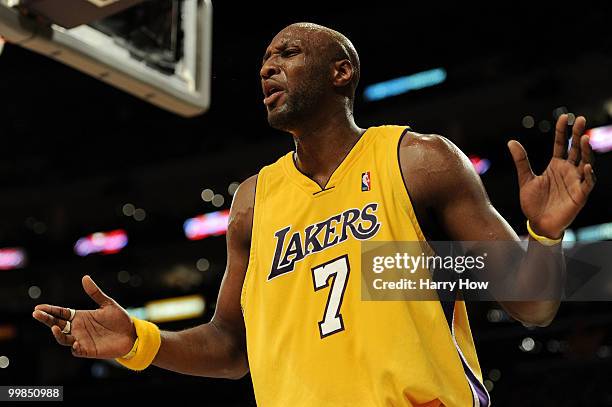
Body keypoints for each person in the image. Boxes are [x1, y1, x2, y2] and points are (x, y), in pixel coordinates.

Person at [33, 22, 596, 406]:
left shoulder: (417, 161)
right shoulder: (253, 202)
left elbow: (532, 304)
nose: (267, 68)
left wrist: (543, 237)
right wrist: (139, 338)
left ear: (341, 72)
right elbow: (232, 348)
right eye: (264, 60)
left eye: (288, 53)